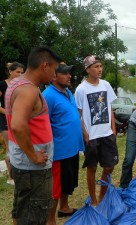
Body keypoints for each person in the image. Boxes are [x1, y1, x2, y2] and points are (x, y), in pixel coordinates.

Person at [5, 46, 61, 225]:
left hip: (21, 162)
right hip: (33, 168)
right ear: (45, 65)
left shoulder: (16, 83)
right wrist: (33, 155)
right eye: (54, 69)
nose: (54, 75)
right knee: (35, 214)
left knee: (22, 207)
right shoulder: (29, 90)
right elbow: (18, 125)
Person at [43, 63, 84, 225]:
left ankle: (64, 207)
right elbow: (43, 124)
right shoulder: (48, 96)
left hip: (72, 149)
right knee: (56, 188)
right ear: (54, 76)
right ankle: (50, 220)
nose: (69, 76)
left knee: (68, 182)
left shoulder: (67, 92)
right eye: (65, 73)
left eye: (69, 73)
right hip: (59, 151)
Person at [74, 55, 118, 206]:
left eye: (100, 66)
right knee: (92, 168)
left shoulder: (106, 85)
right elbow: (78, 115)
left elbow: (110, 107)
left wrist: (113, 128)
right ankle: (93, 200)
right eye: (96, 67)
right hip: (91, 136)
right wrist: (85, 133)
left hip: (106, 133)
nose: (100, 69)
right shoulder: (81, 89)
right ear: (87, 69)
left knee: (109, 166)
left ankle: (102, 196)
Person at [0, 62, 25, 185]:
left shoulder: (21, 85)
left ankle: (17, 175)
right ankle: (11, 178)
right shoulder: (2, 85)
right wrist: (8, 113)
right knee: (10, 148)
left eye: (21, 73)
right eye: (17, 72)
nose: (19, 75)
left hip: (18, 119)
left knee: (18, 146)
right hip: (5, 120)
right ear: (10, 72)